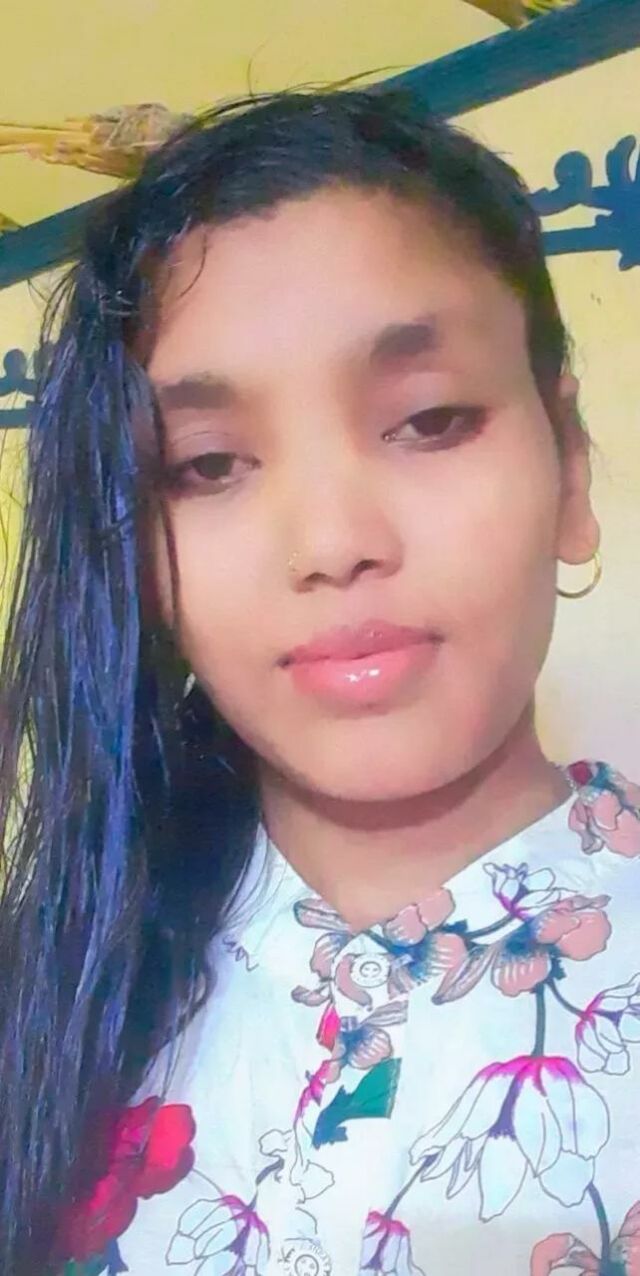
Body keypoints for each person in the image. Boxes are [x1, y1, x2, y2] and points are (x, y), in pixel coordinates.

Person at [0, 85, 639, 1276]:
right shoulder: (43, 989)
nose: (332, 541)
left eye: (429, 419)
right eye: (207, 466)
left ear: (567, 468)